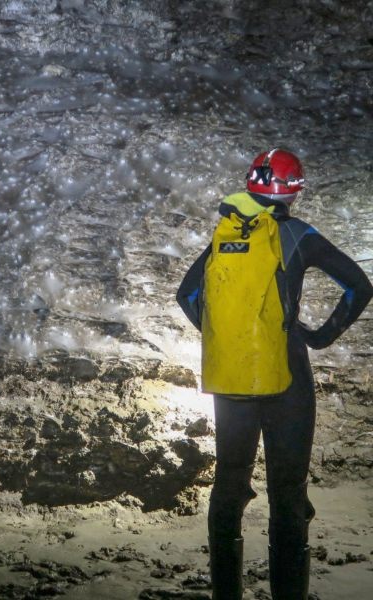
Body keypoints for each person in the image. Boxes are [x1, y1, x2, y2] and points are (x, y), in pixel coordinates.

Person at [176, 148, 372, 599]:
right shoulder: (297, 234)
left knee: (228, 486)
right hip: (287, 378)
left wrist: (225, 340)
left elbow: (187, 294)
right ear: (293, 191)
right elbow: (359, 286)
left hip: (232, 381)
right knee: (288, 495)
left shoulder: (225, 234)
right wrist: (320, 337)